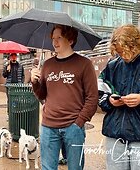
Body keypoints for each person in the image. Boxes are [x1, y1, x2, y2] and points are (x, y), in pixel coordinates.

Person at [30, 24, 98, 170]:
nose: (55, 42)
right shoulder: (47, 65)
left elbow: (92, 98)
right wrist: (35, 82)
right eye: (53, 38)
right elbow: (42, 95)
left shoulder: (84, 64)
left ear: (71, 40)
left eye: (59, 38)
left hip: (73, 127)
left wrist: (78, 123)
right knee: (48, 168)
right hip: (48, 127)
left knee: (75, 168)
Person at [98, 24, 140, 169]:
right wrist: (109, 101)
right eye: (118, 52)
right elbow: (99, 94)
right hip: (115, 136)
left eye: (124, 52)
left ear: (136, 44)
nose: (122, 56)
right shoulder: (113, 65)